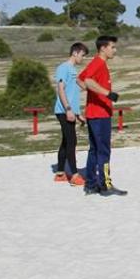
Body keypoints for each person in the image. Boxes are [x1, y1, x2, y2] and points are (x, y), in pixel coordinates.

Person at [77, 35, 126, 196]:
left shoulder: (97, 63)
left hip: (94, 113)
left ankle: (91, 184)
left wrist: (90, 90)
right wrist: (107, 94)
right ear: (103, 48)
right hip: (99, 114)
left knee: (94, 150)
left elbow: (80, 79)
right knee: (103, 150)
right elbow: (88, 81)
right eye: (112, 47)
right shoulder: (98, 62)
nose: (114, 50)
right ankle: (105, 185)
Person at [53, 42, 88, 186]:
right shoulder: (63, 68)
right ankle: (74, 175)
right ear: (75, 53)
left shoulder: (73, 70)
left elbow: (73, 94)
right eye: (82, 55)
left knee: (66, 141)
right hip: (63, 111)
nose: (82, 58)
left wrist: (77, 113)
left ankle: (60, 173)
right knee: (72, 141)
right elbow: (61, 89)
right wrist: (68, 109)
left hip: (71, 112)